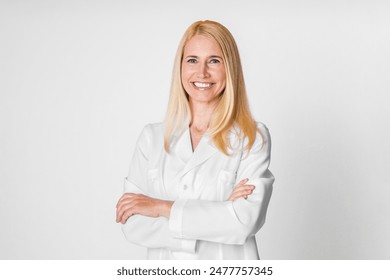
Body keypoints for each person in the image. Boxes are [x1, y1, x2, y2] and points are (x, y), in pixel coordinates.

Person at [115, 20, 274, 260]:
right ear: (180, 67)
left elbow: (243, 222)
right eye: (192, 60)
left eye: (214, 61)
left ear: (229, 68)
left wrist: (159, 207)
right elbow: (133, 224)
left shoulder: (252, 138)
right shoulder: (152, 138)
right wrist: (220, 214)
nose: (202, 73)